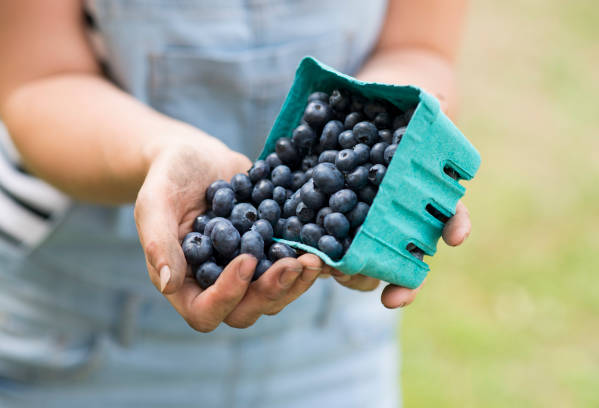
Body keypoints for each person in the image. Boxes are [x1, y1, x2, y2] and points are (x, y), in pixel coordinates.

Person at [0, 0, 471, 406]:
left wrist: (406, 145)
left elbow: (418, 47)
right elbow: (38, 79)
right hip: (73, 339)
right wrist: (161, 150)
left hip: (330, 348)